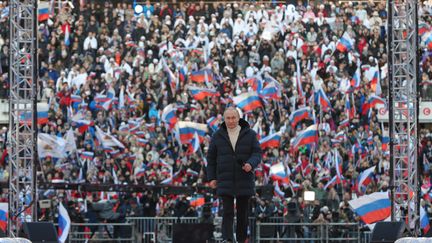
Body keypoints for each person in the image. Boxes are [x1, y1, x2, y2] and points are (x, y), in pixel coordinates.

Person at [206, 107, 262, 243]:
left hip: (244, 178)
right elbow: (211, 158)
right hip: (225, 179)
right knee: (227, 212)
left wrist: (251, 164)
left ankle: (242, 239)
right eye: (228, 118)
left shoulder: (250, 134)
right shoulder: (217, 135)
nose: (231, 121)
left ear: (239, 118)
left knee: (242, 214)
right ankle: (228, 239)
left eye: (233, 118)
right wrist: (212, 178)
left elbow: (257, 153)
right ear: (224, 119)